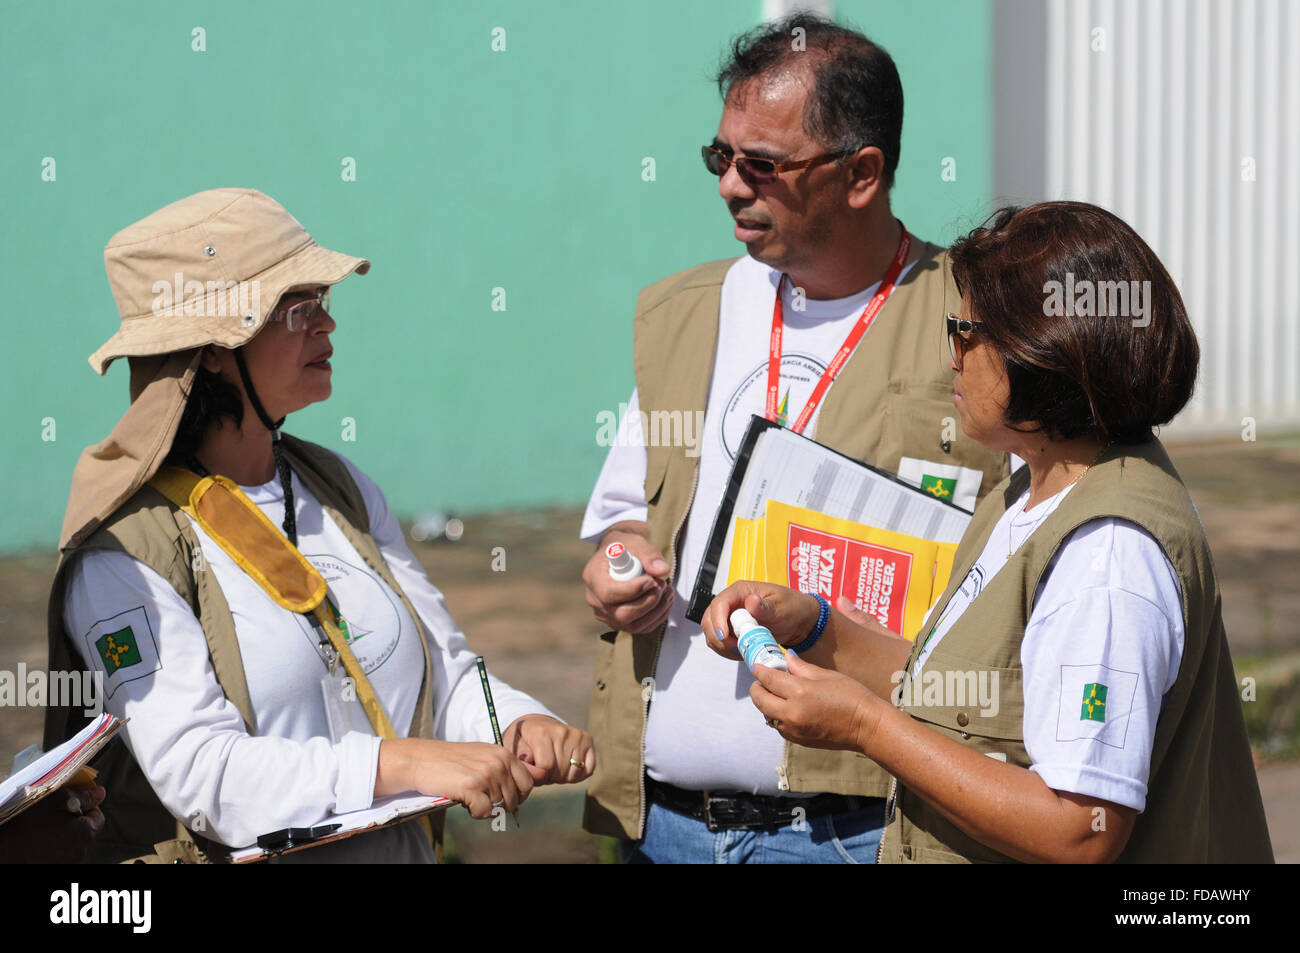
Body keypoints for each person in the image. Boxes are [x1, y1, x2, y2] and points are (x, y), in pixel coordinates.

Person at [702, 201, 1274, 863]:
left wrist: (866, 726)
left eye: (966, 331)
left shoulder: (1109, 551)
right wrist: (815, 628)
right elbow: (973, 691)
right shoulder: (1030, 486)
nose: (952, 355)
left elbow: (1077, 829)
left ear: (1047, 350)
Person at [44, 188, 595, 863]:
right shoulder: (124, 559)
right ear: (214, 349)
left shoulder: (342, 488)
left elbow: (446, 675)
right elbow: (205, 777)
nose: (327, 327)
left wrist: (515, 721)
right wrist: (402, 762)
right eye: (298, 309)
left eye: (322, 304)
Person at [579, 14, 1008, 863]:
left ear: (862, 174)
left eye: (762, 165)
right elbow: (628, 516)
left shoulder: (977, 321)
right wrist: (617, 567)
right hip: (662, 826)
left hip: (850, 832)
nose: (729, 185)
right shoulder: (686, 311)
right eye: (720, 157)